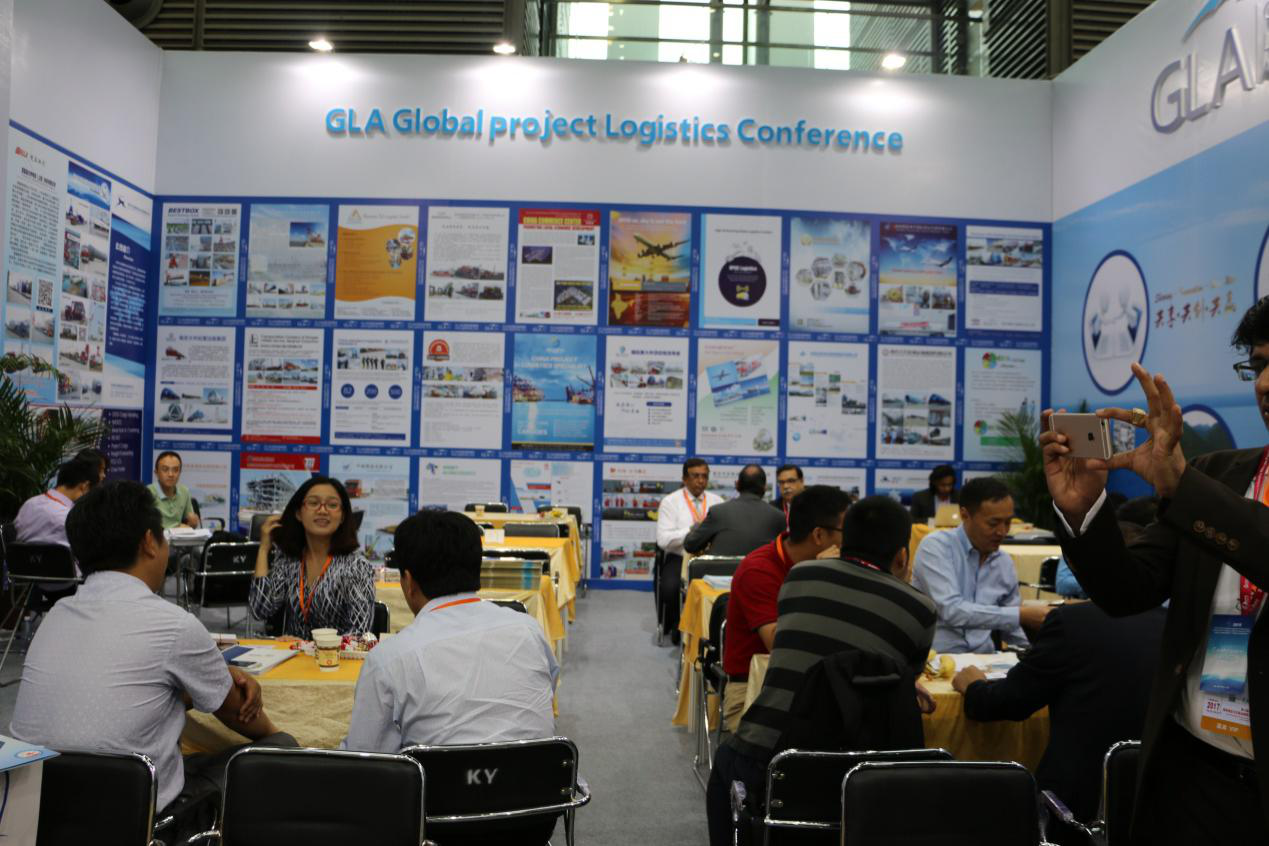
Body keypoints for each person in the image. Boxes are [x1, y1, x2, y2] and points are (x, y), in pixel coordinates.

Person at [1038, 301, 1269, 843]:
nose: (1265, 383)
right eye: (1258, 365)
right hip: (1192, 776)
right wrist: (1084, 511)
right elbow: (1127, 591)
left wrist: (1181, 486)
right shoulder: (1220, 475)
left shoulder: (1198, 488)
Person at [10, 481, 294, 837]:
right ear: (149, 541)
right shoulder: (173, 624)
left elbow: (128, 691)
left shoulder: (55, 617)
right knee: (281, 749)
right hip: (137, 820)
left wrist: (202, 683)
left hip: (41, 814)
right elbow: (238, 713)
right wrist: (279, 736)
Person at [705, 495, 937, 846]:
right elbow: (895, 680)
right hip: (859, 776)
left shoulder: (799, 576)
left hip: (766, 758)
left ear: (842, 541)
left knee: (725, 765)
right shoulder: (921, 610)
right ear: (903, 555)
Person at [953, 602, 1166, 827]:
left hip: (1072, 809)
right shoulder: (1176, 626)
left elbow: (1009, 702)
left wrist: (974, 687)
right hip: (1153, 805)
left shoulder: (1072, 622)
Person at [718, 485, 851, 733]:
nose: (852, 540)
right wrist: (817, 580)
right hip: (757, 689)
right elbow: (780, 645)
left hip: (818, 684)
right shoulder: (758, 570)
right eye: (847, 531)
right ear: (819, 536)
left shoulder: (840, 565)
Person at [912, 476, 1050, 653]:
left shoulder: (1003, 562)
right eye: (993, 523)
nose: (1002, 532)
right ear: (965, 515)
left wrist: (1031, 653)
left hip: (987, 659)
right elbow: (952, 611)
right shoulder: (936, 547)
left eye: (1008, 522)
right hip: (937, 659)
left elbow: (1012, 629)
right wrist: (1019, 615)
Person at [248, 476, 374, 639]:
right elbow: (260, 610)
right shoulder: (289, 560)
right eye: (313, 503)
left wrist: (310, 647)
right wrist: (264, 549)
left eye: (332, 505)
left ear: (342, 516)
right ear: (299, 513)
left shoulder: (356, 566)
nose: (322, 510)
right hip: (292, 653)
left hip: (337, 655)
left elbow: (359, 633)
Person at [655, 458, 724, 641]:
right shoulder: (671, 502)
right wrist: (691, 531)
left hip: (709, 559)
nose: (700, 481)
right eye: (695, 476)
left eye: (704, 476)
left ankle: (710, 629)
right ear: (685, 479)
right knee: (670, 589)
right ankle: (678, 624)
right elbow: (663, 540)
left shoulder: (717, 502)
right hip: (680, 558)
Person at [684, 464, 785, 557]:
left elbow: (691, 545)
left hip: (724, 571)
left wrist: (696, 527)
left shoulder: (718, 512)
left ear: (737, 485)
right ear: (765, 488)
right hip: (761, 571)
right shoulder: (779, 517)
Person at [148, 450, 199, 529]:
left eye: (175, 470)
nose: (171, 474)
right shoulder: (147, 493)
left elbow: (189, 524)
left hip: (178, 536)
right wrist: (175, 529)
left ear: (180, 473)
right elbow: (144, 527)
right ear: (156, 473)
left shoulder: (184, 491)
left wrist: (193, 524)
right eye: (165, 469)